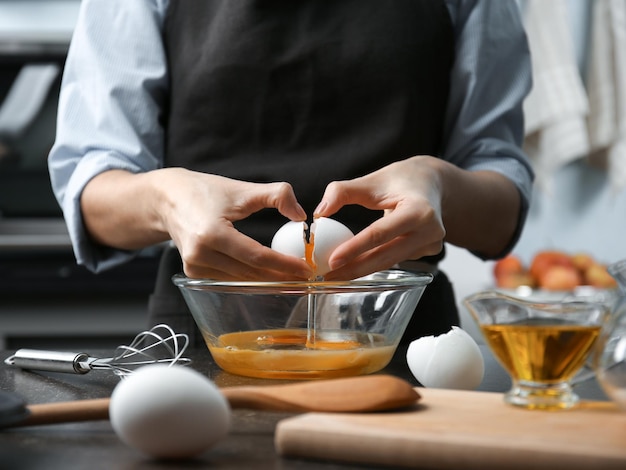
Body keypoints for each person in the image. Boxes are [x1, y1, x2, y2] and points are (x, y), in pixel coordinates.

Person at [48, 0, 534, 345]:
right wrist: (167, 201)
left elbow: (499, 205)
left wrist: (441, 185)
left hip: (398, 336)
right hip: (207, 335)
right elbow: (94, 193)